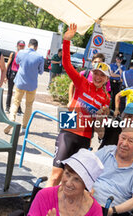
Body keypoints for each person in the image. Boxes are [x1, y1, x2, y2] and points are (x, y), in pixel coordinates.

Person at [46, 24, 110, 187]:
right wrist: (66, 42)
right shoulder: (82, 82)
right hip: (68, 131)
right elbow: (67, 65)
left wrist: (101, 118)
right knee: (55, 176)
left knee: (71, 180)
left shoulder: (106, 98)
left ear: (106, 80)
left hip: (85, 138)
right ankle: (39, 208)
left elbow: (98, 127)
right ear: (91, 72)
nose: (98, 77)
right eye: (96, 72)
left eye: (102, 75)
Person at [20, 149, 104, 216]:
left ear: (86, 184)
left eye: (77, 179)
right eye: (67, 174)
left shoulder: (95, 212)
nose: (68, 183)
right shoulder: (44, 196)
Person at [4, 39, 44, 134]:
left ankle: (12, 119)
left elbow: (17, 62)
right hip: (32, 84)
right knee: (29, 105)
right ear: (36, 47)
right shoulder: (40, 57)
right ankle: (24, 127)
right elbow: (41, 72)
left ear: (29, 45)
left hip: (20, 82)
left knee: (16, 102)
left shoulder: (21, 52)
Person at [5, 40, 25, 114]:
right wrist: (5, 76)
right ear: (17, 46)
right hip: (12, 74)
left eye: (23, 46)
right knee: (10, 91)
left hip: (20, 75)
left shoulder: (24, 55)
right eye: (20, 46)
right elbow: (8, 64)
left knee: (18, 92)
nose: (21, 47)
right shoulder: (13, 54)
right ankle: (7, 107)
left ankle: (18, 109)